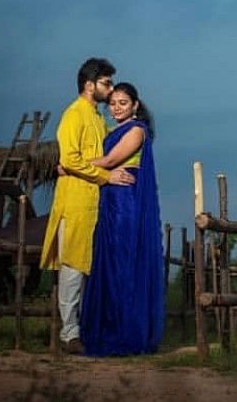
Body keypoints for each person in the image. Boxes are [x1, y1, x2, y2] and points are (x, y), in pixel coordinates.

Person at [40, 58, 135, 354]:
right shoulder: (74, 115)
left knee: (93, 267)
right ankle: (70, 334)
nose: (109, 89)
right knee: (73, 269)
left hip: (97, 203)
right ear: (89, 84)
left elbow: (106, 149)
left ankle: (93, 328)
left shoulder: (97, 118)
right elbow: (70, 159)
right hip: (75, 202)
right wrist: (106, 175)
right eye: (106, 83)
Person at [79, 82, 165, 355]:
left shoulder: (136, 131)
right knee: (107, 262)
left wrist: (70, 165)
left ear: (135, 105)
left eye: (123, 103)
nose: (116, 108)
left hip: (125, 203)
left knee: (123, 263)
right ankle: (109, 327)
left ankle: (126, 331)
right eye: (112, 103)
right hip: (110, 199)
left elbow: (109, 160)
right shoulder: (113, 129)